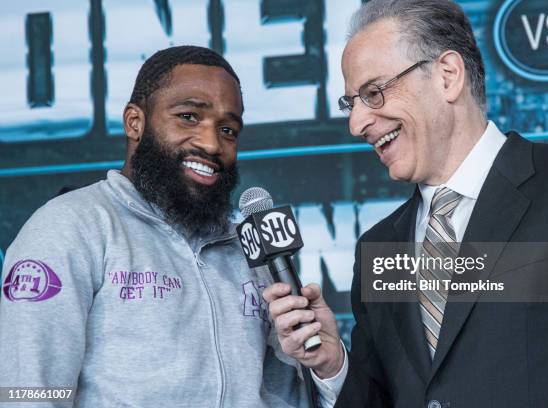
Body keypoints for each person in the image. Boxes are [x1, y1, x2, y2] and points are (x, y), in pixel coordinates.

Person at [264, 1, 548, 407]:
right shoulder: (378, 249)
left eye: (372, 93)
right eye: (351, 103)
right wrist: (333, 364)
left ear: (448, 76)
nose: (356, 123)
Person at [0, 46, 335, 407]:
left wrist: (327, 370)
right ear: (135, 123)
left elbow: (289, 396)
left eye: (228, 129)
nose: (211, 143)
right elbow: (28, 392)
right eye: (189, 116)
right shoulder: (70, 226)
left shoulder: (250, 252)